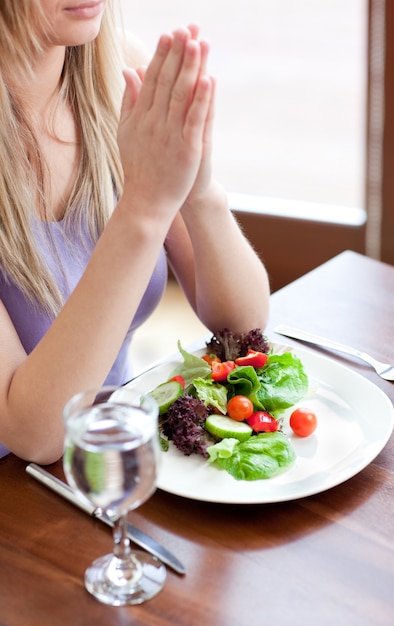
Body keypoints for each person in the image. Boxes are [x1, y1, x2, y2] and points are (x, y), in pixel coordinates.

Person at [0, 0, 270, 464]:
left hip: (109, 463)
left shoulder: (119, 73)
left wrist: (199, 192)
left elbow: (244, 327)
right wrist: (142, 210)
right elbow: (37, 435)